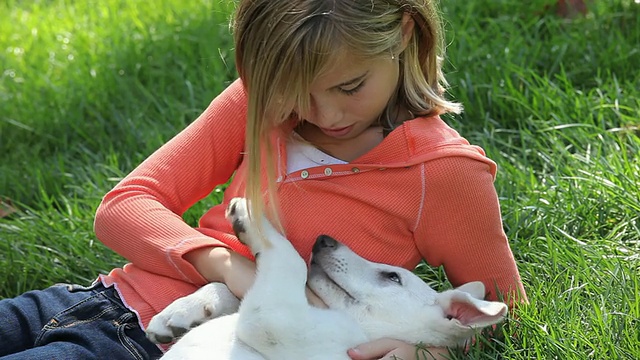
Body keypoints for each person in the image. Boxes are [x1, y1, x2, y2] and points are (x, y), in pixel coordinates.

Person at [0, 0, 527, 359]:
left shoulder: (443, 173)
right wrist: (230, 267)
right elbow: (125, 206)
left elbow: (507, 316)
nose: (323, 114)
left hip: (165, 349)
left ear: (404, 33)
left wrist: (427, 351)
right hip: (98, 299)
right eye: (297, 89)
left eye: (350, 86)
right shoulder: (260, 102)